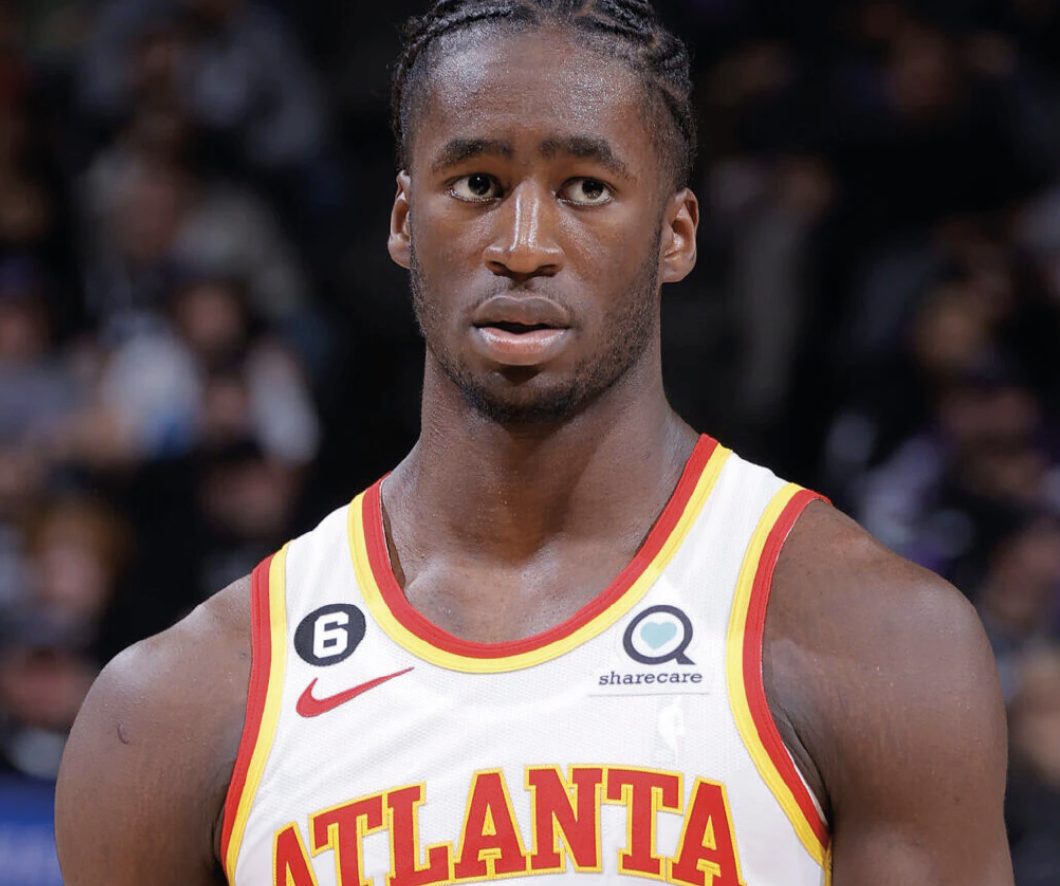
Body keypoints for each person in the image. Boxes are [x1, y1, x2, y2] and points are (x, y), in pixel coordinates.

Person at [54, 1, 1013, 883]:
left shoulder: (874, 640)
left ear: (677, 235)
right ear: (404, 222)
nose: (522, 244)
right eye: (477, 184)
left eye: (586, 188)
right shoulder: (179, 707)